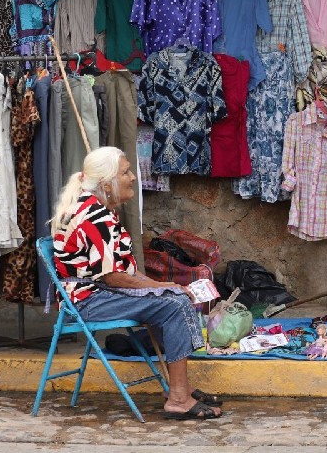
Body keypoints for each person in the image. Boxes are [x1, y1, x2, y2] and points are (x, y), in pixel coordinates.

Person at [51, 146, 223, 420]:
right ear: (107, 184)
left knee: (173, 298)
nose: (133, 177)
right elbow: (112, 276)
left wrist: (164, 286)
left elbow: (125, 271)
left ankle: (179, 388)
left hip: (99, 293)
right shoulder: (95, 216)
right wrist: (161, 288)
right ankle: (179, 398)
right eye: (125, 172)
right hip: (87, 301)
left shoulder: (100, 210)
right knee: (175, 305)